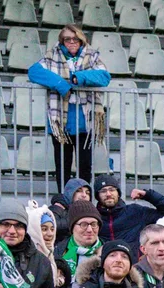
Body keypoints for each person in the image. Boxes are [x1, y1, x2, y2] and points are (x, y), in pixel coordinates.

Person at [27, 25, 110, 188]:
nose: (72, 42)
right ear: (62, 41)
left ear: (81, 41)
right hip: (60, 119)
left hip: (86, 118)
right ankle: (64, 202)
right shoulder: (52, 55)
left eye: (75, 39)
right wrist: (61, 84)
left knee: (85, 165)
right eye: (67, 39)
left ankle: (84, 201)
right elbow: (34, 72)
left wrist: (77, 78)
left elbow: (104, 76)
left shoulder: (92, 56)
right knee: (63, 165)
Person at [93, 175, 164, 255]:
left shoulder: (135, 211)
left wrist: (148, 195)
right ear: (97, 195)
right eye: (103, 191)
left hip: (135, 268)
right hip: (106, 269)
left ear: (118, 193)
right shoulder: (93, 217)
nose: (108, 194)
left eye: (112, 190)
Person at [57, 200, 103, 274]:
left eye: (93, 224)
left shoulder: (108, 253)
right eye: (83, 224)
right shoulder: (57, 252)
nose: (89, 230)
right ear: (72, 228)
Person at [50, 177, 92, 246]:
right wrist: (76, 218)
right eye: (79, 191)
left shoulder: (90, 212)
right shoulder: (58, 207)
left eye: (87, 193)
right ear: (70, 192)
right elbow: (52, 226)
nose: (84, 195)